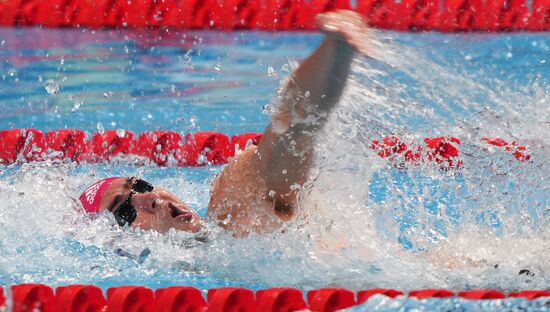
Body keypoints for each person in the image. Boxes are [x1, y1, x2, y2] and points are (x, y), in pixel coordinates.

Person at [79, 10, 370, 237]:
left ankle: (336, 49)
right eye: (125, 210)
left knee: (282, 166)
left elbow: (290, 135)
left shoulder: (228, 207)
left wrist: (337, 50)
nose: (150, 198)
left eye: (140, 185)